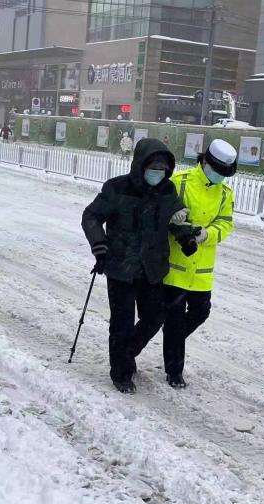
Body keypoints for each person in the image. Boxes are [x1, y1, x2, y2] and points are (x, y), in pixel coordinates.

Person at [82, 138, 197, 394]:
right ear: (140, 165)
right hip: (121, 267)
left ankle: (127, 352)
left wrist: (185, 236)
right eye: (153, 168)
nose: (158, 173)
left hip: (152, 268)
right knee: (122, 322)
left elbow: (177, 218)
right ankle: (121, 373)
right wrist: (99, 245)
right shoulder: (117, 188)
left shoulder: (167, 191)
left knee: (156, 315)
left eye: (163, 170)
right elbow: (91, 216)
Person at [163, 139, 237, 388]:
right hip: (176, 267)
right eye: (216, 171)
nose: (219, 177)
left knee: (200, 312)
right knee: (173, 318)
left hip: (202, 270)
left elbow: (226, 223)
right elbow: (162, 211)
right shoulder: (180, 182)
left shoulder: (225, 193)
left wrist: (207, 234)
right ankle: (174, 372)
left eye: (224, 174)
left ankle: (172, 341)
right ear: (204, 162)